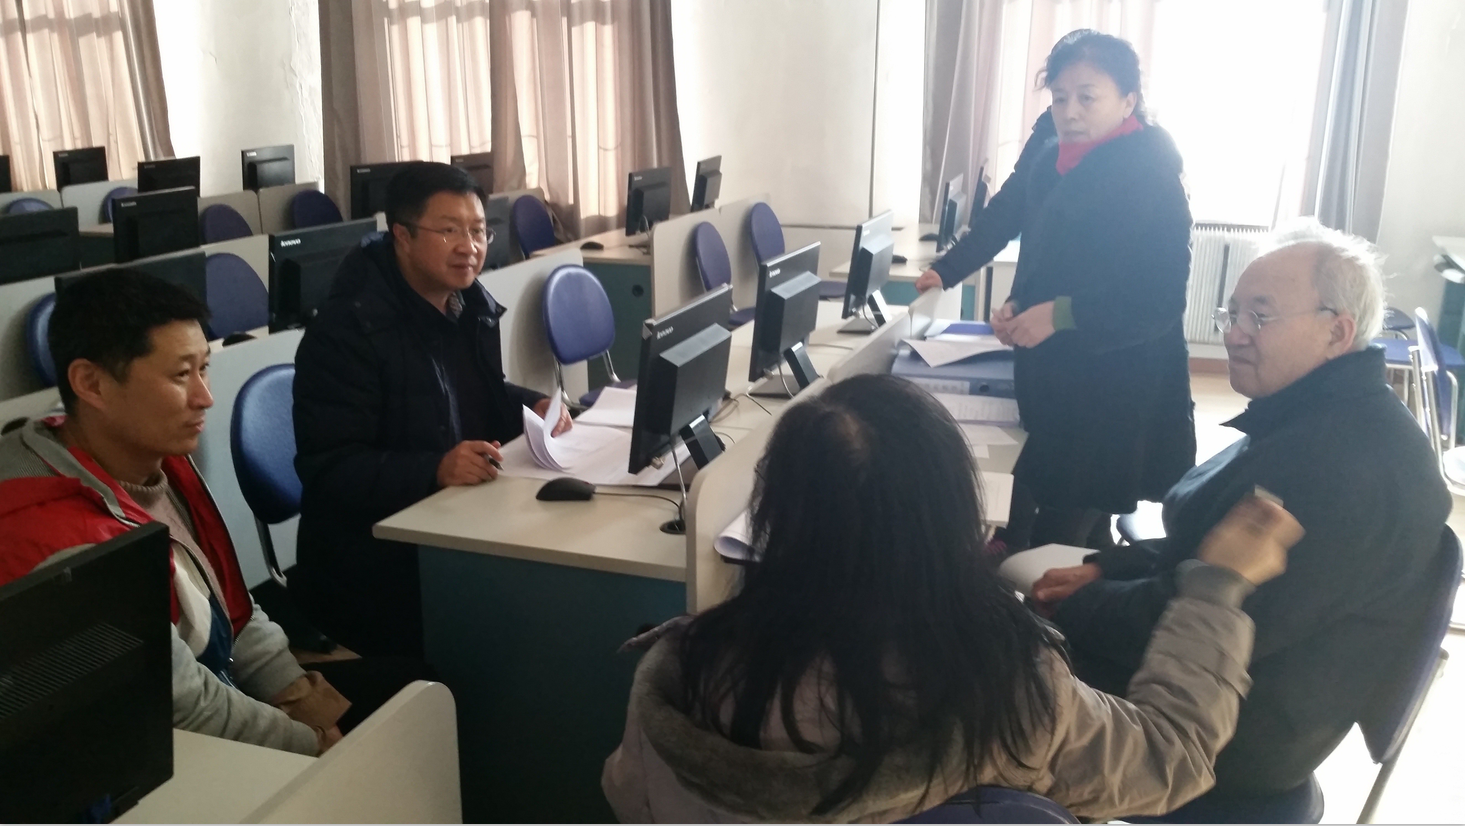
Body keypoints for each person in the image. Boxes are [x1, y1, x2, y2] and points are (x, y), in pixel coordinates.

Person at [601, 373, 1305, 823]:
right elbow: (1170, 758)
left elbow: (629, 795)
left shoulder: (680, 669)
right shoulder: (1004, 688)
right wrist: (1216, 587)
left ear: (777, 514)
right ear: (951, 516)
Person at [1033, 221, 1452, 799]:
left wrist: (1079, 607)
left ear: (1337, 331)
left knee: (998, 691)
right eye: (1232, 315)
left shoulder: (1341, 470)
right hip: (1227, 673)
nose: (1234, 335)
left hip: (1229, 734)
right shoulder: (1320, 412)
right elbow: (1205, 544)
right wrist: (1109, 568)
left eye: (1260, 316)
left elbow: (1206, 622)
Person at [0, 271, 430, 755]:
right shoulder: (60, 543)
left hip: (212, 687)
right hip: (159, 749)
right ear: (91, 383)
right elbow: (186, 710)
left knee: (428, 693)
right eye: (181, 375)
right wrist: (313, 745)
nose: (205, 396)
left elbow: (230, 604)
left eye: (204, 368)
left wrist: (307, 703)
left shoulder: (158, 458)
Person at [916, 30, 1195, 552]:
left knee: (1058, 535)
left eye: (1088, 97)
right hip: (1057, 376)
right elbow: (1034, 241)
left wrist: (1059, 314)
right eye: (1060, 97)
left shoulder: (1150, 174)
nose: (1070, 112)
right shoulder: (1053, 154)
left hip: (1115, 385)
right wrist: (1012, 302)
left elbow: (1157, 299)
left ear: (1128, 100)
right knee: (1071, 524)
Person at [292, 162, 571, 658]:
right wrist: (434, 469)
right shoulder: (346, 332)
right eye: (449, 231)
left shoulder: (467, 304)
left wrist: (533, 404)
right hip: (375, 556)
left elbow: (476, 393)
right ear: (402, 235)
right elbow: (329, 468)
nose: (469, 246)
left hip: (456, 518)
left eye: (478, 231)